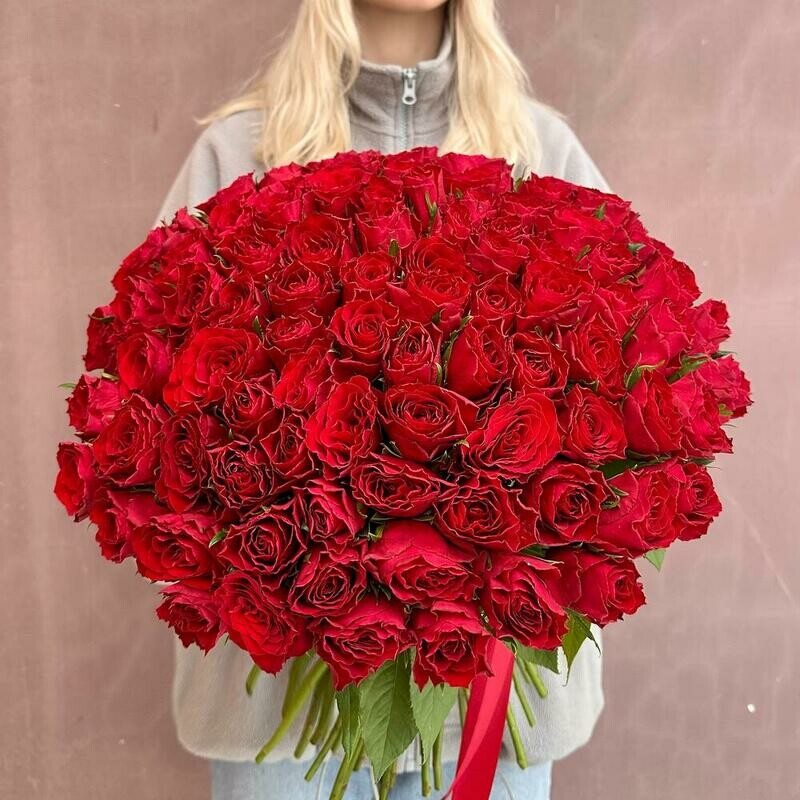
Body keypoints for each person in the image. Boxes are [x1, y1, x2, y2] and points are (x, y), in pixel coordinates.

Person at [151, 1, 609, 798]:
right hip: (281, 726)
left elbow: (619, 404)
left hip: (491, 715)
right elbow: (158, 405)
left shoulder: (541, 153)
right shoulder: (238, 154)